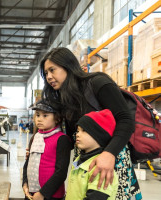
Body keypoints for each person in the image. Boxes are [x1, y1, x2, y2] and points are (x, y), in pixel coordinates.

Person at [40, 47, 141, 199]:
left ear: (67, 66)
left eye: (52, 70)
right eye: (46, 73)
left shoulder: (98, 82)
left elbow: (126, 121)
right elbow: (71, 138)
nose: (48, 77)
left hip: (112, 160)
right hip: (84, 164)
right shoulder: (66, 98)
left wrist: (109, 154)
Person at [22, 100, 71, 200]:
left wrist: (42, 193)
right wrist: (25, 183)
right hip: (31, 193)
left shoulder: (62, 139)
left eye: (45, 115)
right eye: (38, 115)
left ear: (57, 118)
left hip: (51, 195)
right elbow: (28, 163)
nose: (39, 119)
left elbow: (61, 172)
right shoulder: (35, 137)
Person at [66, 109, 119, 200]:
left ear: (99, 136)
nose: (78, 134)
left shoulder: (101, 167)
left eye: (84, 131)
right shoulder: (79, 160)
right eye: (78, 131)